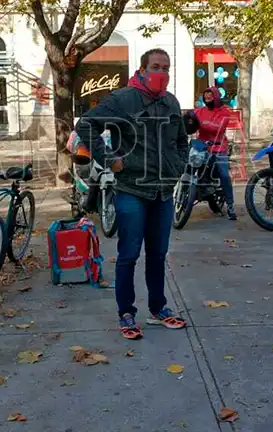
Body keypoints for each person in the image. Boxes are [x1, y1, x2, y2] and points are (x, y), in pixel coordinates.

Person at [74, 48, 189, 340]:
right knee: (129, 254)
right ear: (142, 69)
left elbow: (181, 141)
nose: (161, 72)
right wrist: (110, 159)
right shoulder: (124, 99)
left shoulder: (171, 102)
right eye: (155, 66)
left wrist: (177, 167)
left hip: (163, 192)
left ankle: (158, 308)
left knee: (158, 254)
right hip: (131, 191)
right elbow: (86, 125)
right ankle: (126, 312)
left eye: (166, 67)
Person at [189, 86, 236, 220]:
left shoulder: (224, 111)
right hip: (201, 146)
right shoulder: (200, 111)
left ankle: (231, 205)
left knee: (224, 175)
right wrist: (185, 120)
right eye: (205, 98)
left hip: (218, 147)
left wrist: (201, 123)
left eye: (210, 98)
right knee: (187, 165)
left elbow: (218, 127)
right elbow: (190, 120)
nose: (207, 100)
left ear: (216, 98)